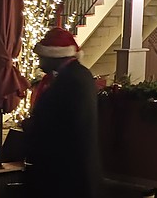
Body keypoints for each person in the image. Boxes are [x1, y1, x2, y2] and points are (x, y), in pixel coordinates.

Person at [23, 27, 101, 198]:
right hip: (64, 169)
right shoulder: (69, 76)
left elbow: (67, 124)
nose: (39, 61)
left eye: (41, 56)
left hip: (66, 171)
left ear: (54, 56)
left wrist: (33, 126)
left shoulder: (72, 79)